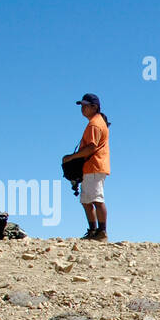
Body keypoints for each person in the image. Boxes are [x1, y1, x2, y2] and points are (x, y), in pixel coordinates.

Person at [63, 93, 111, 240]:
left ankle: (101, 232)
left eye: (85, 106)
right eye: (81, 106)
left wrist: (72, 157)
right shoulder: (95, 122)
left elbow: (91, 147)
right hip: (91, 167)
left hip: (94, 166)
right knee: (86, 200)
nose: (82, 108)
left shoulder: (95, 124)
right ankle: (93, 230)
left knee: (96, 199)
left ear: (94, 107)